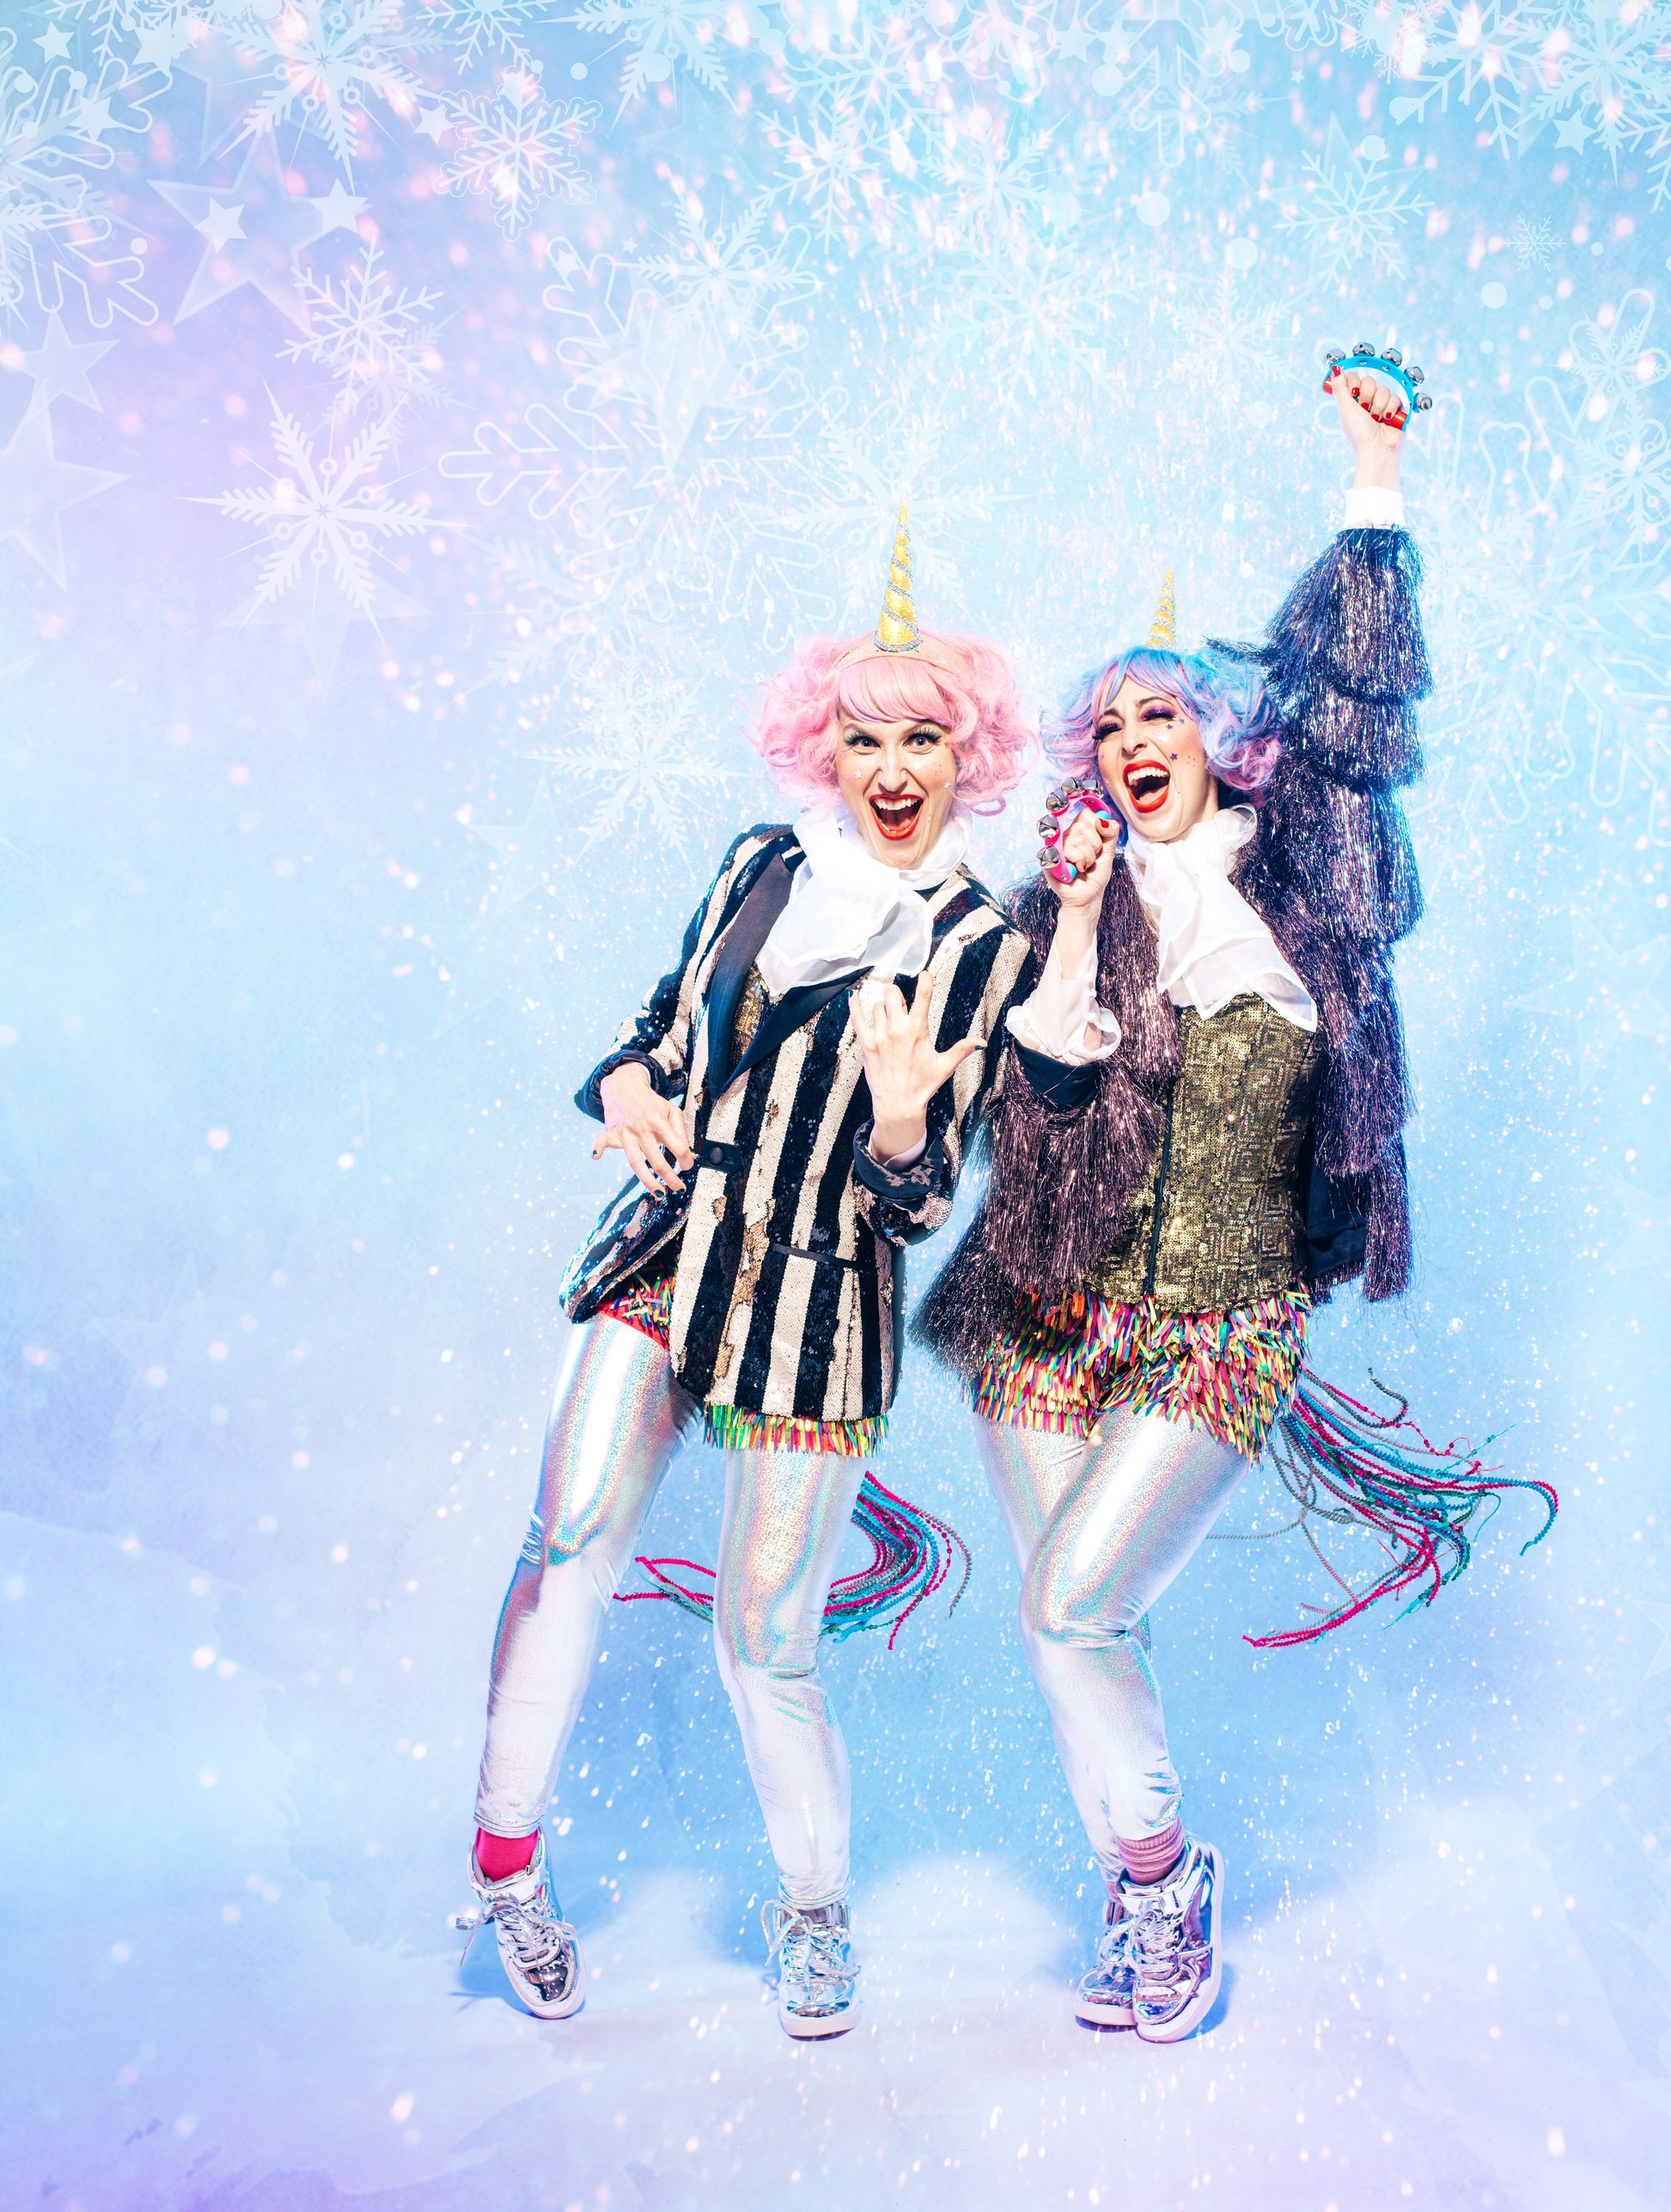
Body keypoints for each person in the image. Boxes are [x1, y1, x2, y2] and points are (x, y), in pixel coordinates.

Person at [459, 512, 1038, 2036]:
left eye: (924, 739)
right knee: (565, 1537)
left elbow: (922, 1200)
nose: (892, 767)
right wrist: (625, 1082)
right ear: (824, 749)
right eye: (865, 738)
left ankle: (815, 1911)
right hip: (665, 1248)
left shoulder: (984, 945)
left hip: (816, 1304)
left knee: (765, 1642)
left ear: (966, 758)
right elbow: (662, 1026)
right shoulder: (761, 868)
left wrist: (902, 1122)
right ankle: (505, 1869)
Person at [918, 358, 1431, 2044]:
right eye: (1110, 729)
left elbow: (1359, 709)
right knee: (1068, 1626)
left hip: (1223, 1310)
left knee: (1072, 1603)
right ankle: (1150, 1892)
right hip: (1043, 1309)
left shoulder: (1304, 878)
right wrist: (1069, 914)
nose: (1135, 743)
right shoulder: (1069, 906)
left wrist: (1371, 483)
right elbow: (1033, 1089)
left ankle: (1155, 1889)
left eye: (1163, 717)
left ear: (1221, 737)